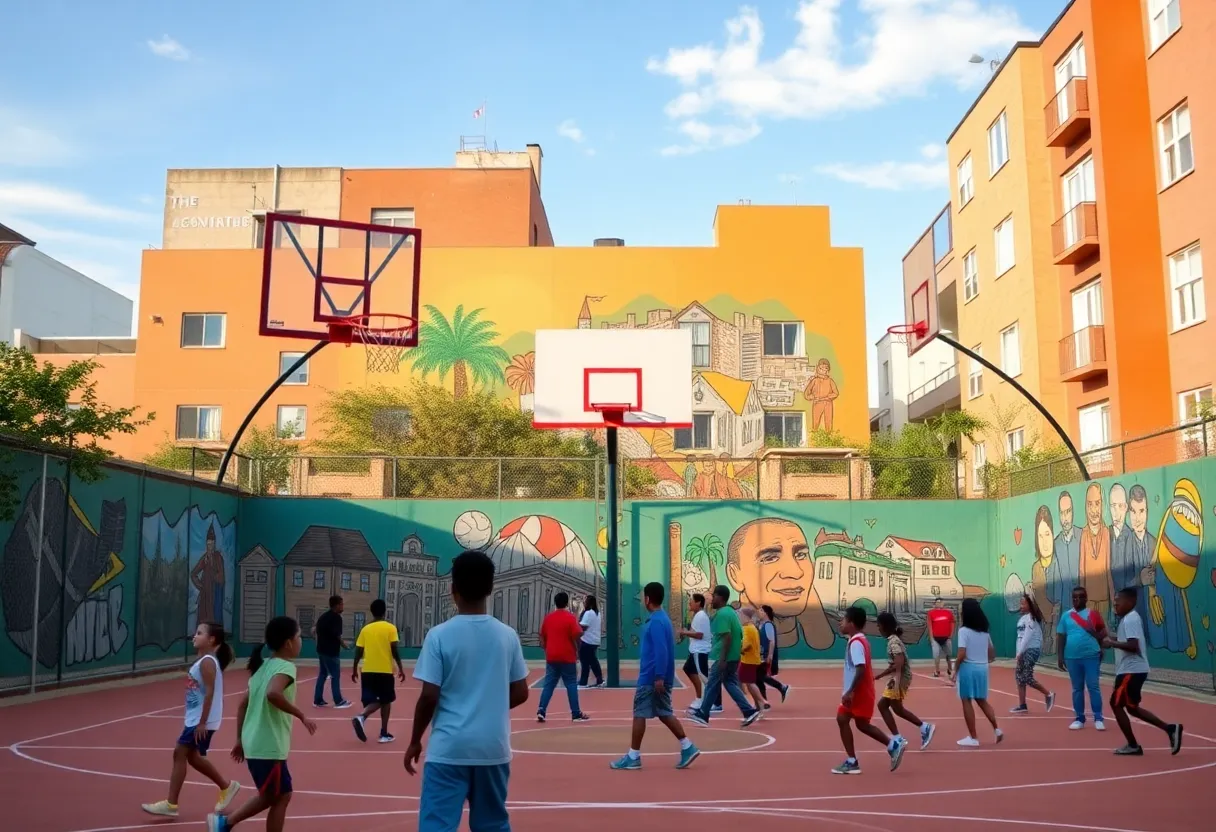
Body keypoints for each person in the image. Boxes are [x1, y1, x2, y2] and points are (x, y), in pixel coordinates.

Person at [405, 550, 531, 832]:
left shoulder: (438, 635)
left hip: (448, 749)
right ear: (490, 588)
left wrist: (415, 739)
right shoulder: (507, 635)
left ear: (453, 590)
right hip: (492, 748)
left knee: (437, 824)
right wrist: (490, 704)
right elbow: (522, 692)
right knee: (493, 824)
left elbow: (429, 696)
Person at [206, 617, 318, 832]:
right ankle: (224, 823)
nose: (301, 641)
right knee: (277, 795)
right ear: (288, 643)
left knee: (277, 795)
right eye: (299, 636)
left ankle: (225, 824)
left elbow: (242, 705)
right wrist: (301, 715)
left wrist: (240, 739)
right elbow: (273, 694)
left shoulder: (262, 667)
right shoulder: (285, 667)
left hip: (254, 743)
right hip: (268, 746)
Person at [142, 622, 241, 818]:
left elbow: (210, 692)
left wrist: (202, 722)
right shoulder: (204, 661)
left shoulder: (207, 662)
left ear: (211, 639)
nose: (194, 636)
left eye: (199, 633)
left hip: (202, 720)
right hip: (197, 718)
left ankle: (171, 804)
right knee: (193, 757)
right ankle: (226, 786)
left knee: (179, 752)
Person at [610, 582, 700, 770]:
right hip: (656, 676)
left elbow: (661, 650)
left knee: (639, 714)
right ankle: (687, 746)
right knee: (664, 713)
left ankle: (633, 756)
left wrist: (658, 676)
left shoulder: (657, 621)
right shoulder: (661, 619)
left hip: (651, 677)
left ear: (648, 599)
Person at [1102, 587, 1184, 756]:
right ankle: (1170, 729)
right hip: (1132, 670)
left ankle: (1133, 745)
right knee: (1131, 708)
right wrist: (1113, 638)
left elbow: (1133, 646)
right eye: (1114, 603)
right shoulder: (1129, 619)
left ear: (1131, 602)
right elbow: (1129, 641)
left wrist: (1112, 643)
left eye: (1118, 602)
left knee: (1116, 704)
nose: (1115, 605)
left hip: (1131, 671)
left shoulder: (1131, 619)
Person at [832, 606, 907, 775]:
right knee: (857, 723)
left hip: (859, 692)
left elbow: (860, 668)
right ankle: (891, 746)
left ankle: (854, 761)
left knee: (845, 719)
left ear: (851, 623)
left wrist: (850, 691)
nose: (840, 622)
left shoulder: (856, 643)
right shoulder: (860, 640)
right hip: (862, 691)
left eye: (843, 619)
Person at [686, 585, 760, 728]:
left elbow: (727, 637)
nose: (712, 599)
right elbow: (736, 635)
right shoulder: (730, 612)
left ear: (720, 597)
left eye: (713, 596)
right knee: (729, 683)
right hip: (733, 656)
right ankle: (748, 711)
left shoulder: (723, 614)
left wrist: (722, 659)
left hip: (724, 657)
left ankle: (703, 714)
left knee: (712, 683)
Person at [874, 612, 935, 750]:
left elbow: (899, 663)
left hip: (899, 678)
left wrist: (882, 674)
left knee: (883, 706)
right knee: (897, 709)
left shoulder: (893, 642)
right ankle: (924, 727)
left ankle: (898, 737)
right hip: (898, 677)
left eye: (878, 626)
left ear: (884, 626)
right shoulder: (893, 639)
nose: (878, 628)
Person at [351, 599, 407, 744]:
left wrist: (354, 669)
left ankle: (365, 719)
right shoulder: (390, 628)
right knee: (386, 700)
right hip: (384, 670)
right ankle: (379, 729)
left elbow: (358, 651)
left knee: (374, 700)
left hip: (367, 670)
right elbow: (394, 649)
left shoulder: (365, 629)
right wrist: (400, 667)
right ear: (384, 611)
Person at [1056, 585, 1107, 731]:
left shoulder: (1093, 614)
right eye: (1074, 597)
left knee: (1093, 687)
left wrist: (1101, 649)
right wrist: (1060, 657)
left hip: (1091, 656)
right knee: (1077, 688)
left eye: (1080, 597)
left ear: (1086, 598)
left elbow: (1102, 632)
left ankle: (1098, 718)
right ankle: (1079, 718)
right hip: (1072, 657)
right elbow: (1061, 635)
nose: (1076, 600)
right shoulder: (1066, 616)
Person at [955, 598, 1003, 747]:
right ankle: (996, 729)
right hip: (982, 668)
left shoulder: (963, 631)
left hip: (968, 668)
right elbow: (992, 654)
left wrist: (954, 669)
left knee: (966, 700)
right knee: (981, 700)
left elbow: (961, 654)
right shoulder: (984, 632)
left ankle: (973, 737)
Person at [537, 592, 590, 722]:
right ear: (567, 603)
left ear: (555, 603)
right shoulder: (570, 618)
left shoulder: (548, 618)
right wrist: (577, 648)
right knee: (571, 684)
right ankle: (575, 713)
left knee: (549, 684)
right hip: (567, 656)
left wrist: (547, 650)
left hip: (552, 656)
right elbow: (577, 634)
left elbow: (542, 637)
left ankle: (541, 709)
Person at [1010, 594, 1055, 714]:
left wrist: (1020, 653)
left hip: (1031, 649)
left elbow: (1027, 637)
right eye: (1020, 603)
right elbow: (1019, 638)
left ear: (1030, 605)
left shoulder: (1031, 618)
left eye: (1023, 603)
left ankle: (1048, 694)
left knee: (1026, 677)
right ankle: (1022, 705)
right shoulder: (1022, 619)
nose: (1021, 606)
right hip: (1023, 651)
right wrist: (1018, 653)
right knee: (1019, 677)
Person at [313, 595, 352, 709]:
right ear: (337, 605)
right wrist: (345, 646)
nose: (343, 606)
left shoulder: (323, 617)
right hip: (331, 652)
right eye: (342, 604)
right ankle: (338, 700)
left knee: (322, 674)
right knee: (335, 675)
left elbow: (316, 631)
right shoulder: (336, 618)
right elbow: (337, 635)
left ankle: (318, 699)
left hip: (321, 650)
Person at [680, 593, 713, 711]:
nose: (689, 603)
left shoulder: (700, 616)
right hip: (695, 650)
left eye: (691, 601)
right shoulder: (698, 615)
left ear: (698, 603)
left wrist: (684, 633)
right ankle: (701, 698)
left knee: (703, 677)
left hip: (700, 651)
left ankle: (708, 701)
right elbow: (695, 631)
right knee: (688, 669)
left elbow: (699, 635)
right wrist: (687, 632)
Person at [756, 605, 790, 705]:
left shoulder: (768, 625)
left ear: (766, 613)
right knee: (758, 677)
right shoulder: (762, 625)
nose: (759, 612)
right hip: (761, 654)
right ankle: (764, 701)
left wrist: (770, 655)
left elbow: (772, 641)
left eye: (761, 610)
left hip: (765, 655)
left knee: (759, 676)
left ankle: (780, 688)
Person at [737, 607, 766, 715]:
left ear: (745, 616)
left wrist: (738, 650)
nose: (739, 618)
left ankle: (762, 702)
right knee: (748, 683)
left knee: (748, 683)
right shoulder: (751, 627)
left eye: (740, 615)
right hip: (751, 659)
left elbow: (747, 645)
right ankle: (759, 707)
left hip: (748, 660)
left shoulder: (747, 628)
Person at [577, 594, 604, 689]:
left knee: (585, 662)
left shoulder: (588, 613)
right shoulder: (598, 613)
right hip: (594, 641)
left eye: (585, 601)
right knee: (592, 661)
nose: (584, 603)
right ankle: (599, 680)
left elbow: (583, 627)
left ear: (589, 602)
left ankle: (583, 683)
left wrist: (575, 626)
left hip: (587, 641)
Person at [927, 598, 955, 679]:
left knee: (949, 655)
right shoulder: (931, 613)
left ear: (943, 603)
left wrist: (951, 635)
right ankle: (937, 670)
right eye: (937, 602)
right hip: (935, 638)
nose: (939, 604)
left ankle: (949, 669)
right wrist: (931, 637)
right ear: (935, 604)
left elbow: (952, 623)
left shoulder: (948, 613)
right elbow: (929, 625)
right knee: (936, 655)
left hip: (946, 638)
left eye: (940, 602)